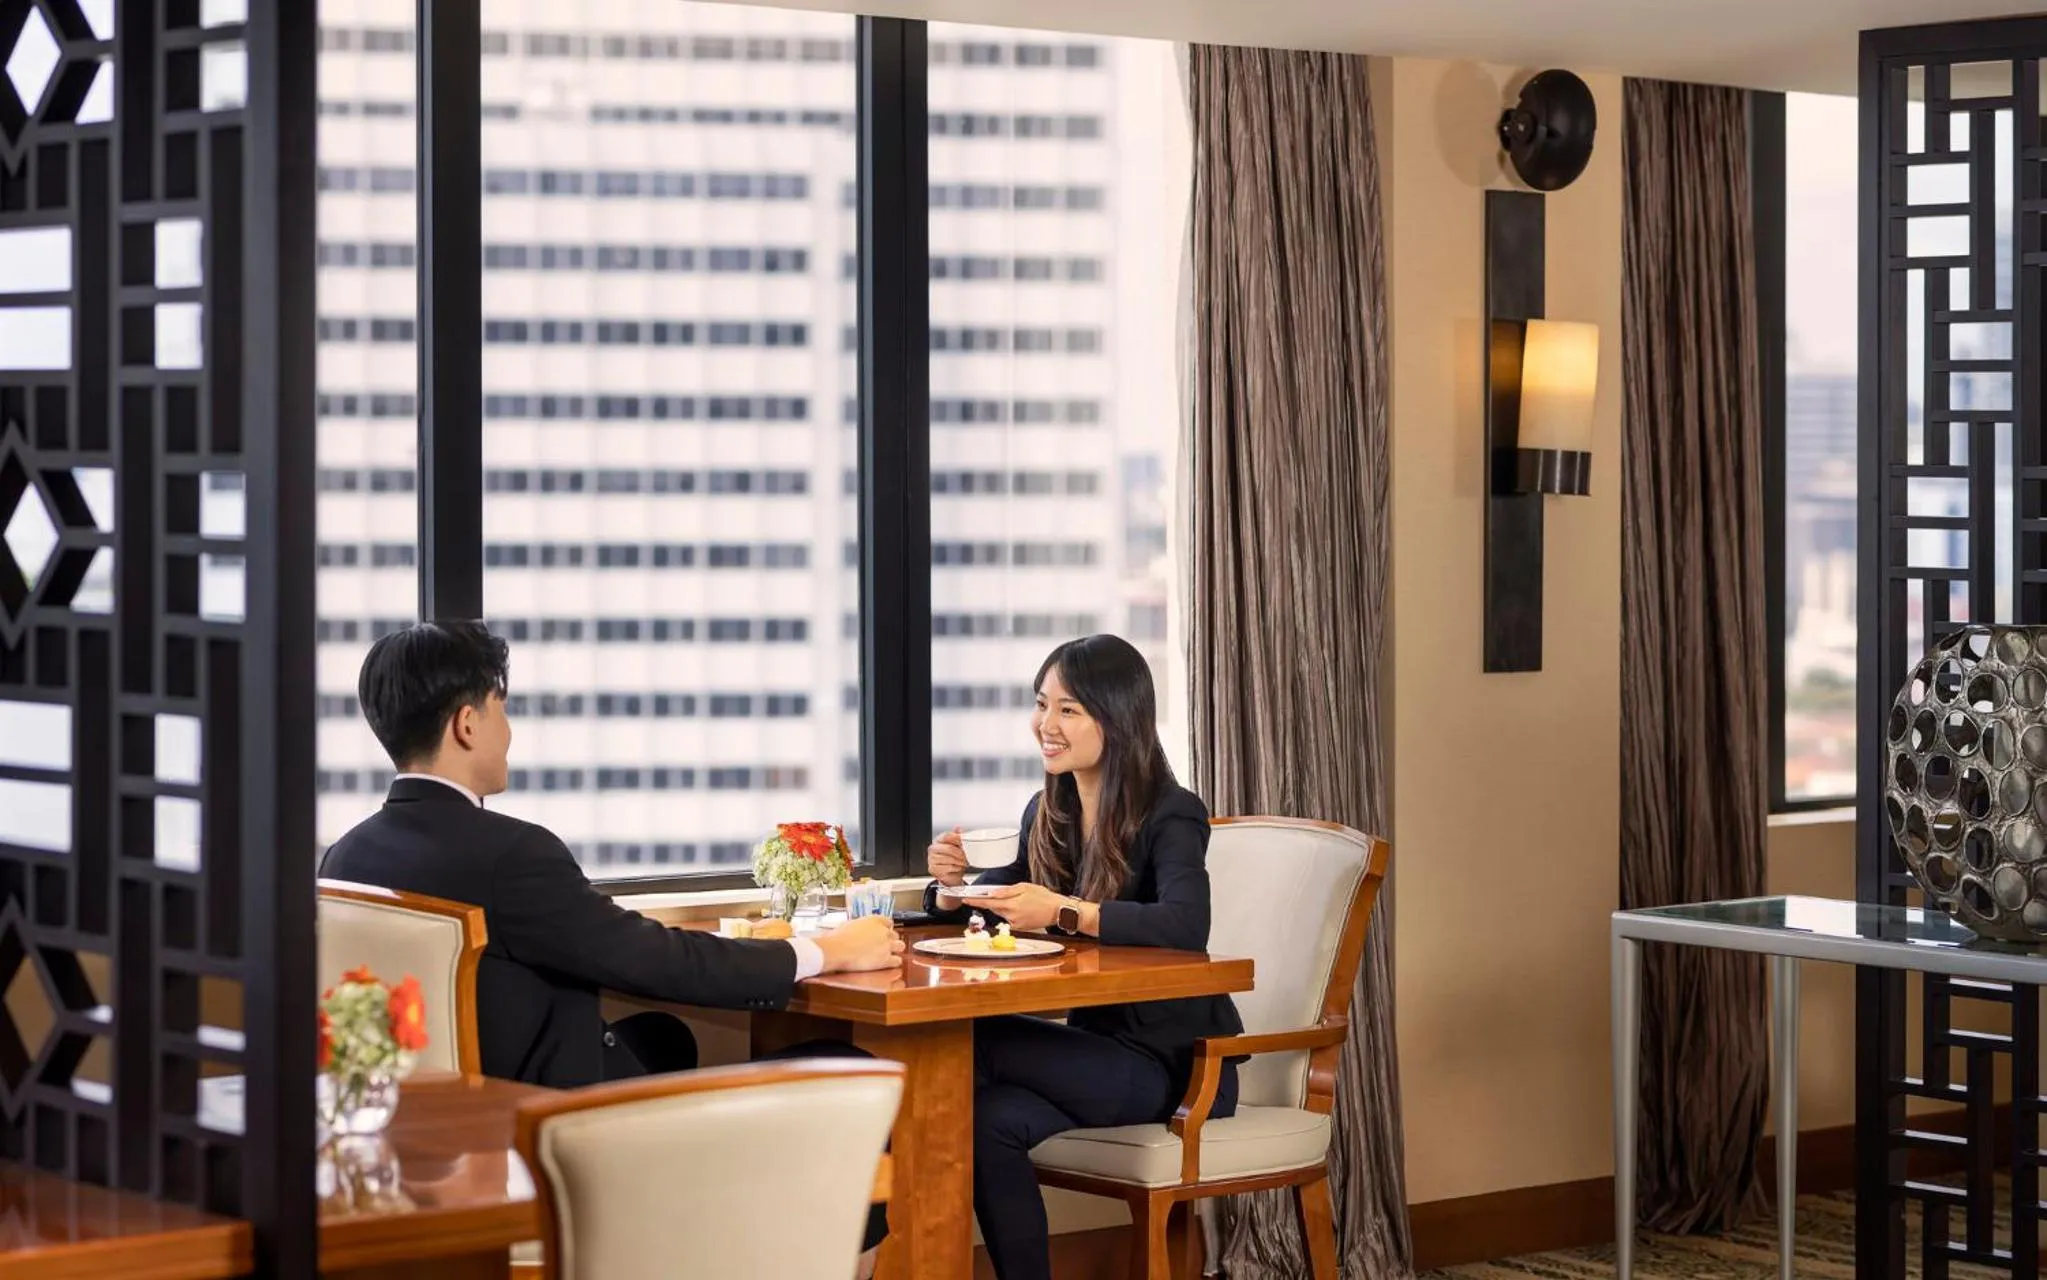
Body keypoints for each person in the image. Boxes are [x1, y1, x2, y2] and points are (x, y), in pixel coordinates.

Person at [319, 620, 904, 1088]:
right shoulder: (512, 856)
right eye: (501, 708)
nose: (509, 730)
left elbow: (594, 938)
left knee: (663, 1037)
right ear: (467, 724)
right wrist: (824, 951)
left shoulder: (345, 859)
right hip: (543, 1129)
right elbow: (656, 962)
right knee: (853, 1066)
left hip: (438, 1121)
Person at [924, 634, 1244, 1280]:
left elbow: (1186, 925)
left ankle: (887, 1240)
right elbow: (1006, 899)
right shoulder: (1049, 812)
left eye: (1067, 709)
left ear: (1117, 715)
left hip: (1175, 1068)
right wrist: (948, 889)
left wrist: (1064, 912)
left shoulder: (1171, 813)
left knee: (965, 1040)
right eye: (1041, 705)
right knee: (985, 1121)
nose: (1045, 724)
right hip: (1096, 1054)